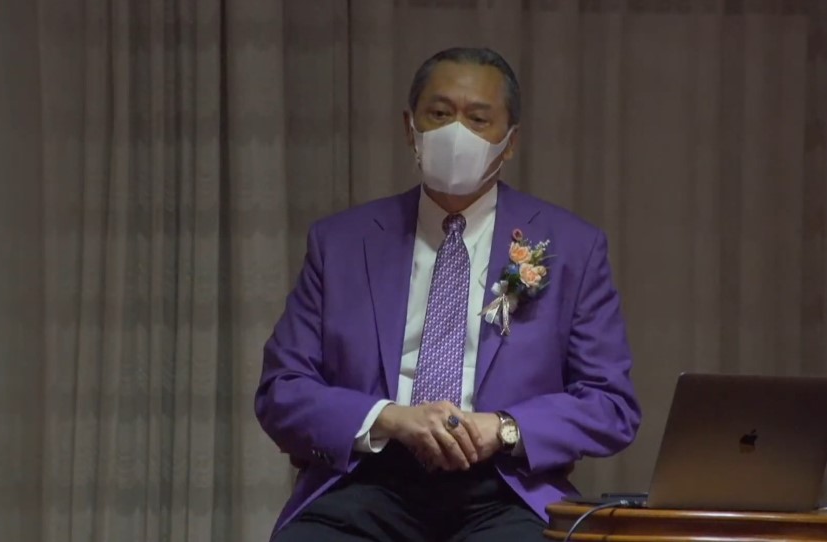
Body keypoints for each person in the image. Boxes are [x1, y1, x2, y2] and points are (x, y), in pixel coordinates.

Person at [255, 46, 641, 542]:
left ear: (510, 142)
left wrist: (503, 428)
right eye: (439, 114)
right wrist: (390, 419)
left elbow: (611, 404)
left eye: (478, 119)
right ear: (409, 127)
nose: (456, 133)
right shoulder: (342, 243)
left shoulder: (570, 248)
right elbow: (282, 390)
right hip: (368, 480)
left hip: (503, 489)